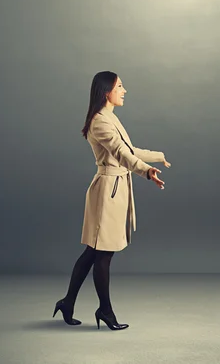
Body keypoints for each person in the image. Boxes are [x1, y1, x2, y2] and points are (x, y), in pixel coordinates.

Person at [53, 71, 170, 331]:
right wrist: (147, 172)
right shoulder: (100, 122)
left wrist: (157, 156)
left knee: (94, 252)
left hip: (115, 190)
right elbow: (120, 153)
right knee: (103, 253)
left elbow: (128, 150)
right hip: (108, 193)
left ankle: (68, 302)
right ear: (107, 91)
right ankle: (104, 310)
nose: (124, 90)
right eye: (119, 86)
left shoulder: (110, 118)